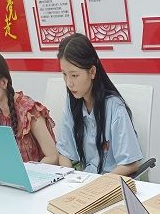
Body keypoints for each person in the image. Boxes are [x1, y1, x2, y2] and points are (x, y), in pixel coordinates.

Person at [56, 33, 142, 175]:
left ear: (92, 72)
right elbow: (65, 153)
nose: (69, 83)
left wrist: (100, 184)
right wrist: (68, 177)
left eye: (74, 75)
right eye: (64, 74)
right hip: (85, 180)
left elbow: (130, 164)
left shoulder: (114, 107)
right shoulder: (72, 104)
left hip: (111, 182)